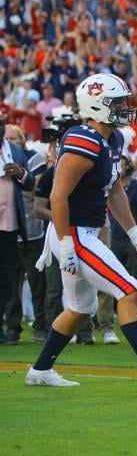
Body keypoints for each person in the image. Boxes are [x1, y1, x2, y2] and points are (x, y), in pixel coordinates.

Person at [26, 73, 137, 391]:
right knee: (128, 290)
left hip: (83, 232)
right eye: (116, 103)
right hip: (72, 232)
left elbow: (114, 190)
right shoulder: (82, 140)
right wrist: (66, 244)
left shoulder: (113, 139)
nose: (124, 108)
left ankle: (40, 370)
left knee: (80, 309)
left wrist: (132, 234)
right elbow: (58, 196)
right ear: (97, 105)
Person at [4, 124, 48, 344]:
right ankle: (12, 328)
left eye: (15, 137)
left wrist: (21, 173)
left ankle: (41, 325)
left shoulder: (33, 158)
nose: (11, 140)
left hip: (32, 230)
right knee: (11, 284)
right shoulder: (5, 155)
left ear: (22, 139)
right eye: (8, 137)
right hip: (9, 230)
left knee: (38, 282)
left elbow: (38, 188)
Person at [0, 118, 35, 344]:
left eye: (1, 125)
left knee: (5, 280)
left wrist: (21, 172)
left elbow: (30, 183)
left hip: (10, 225)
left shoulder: (15, 150)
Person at [109, 153, 137, 332]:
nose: (119, 166)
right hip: (117, 239)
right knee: (114, 279)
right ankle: (119, 316)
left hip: (133, 242)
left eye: (122, 163)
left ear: (128, 166)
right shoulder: (111, 188)